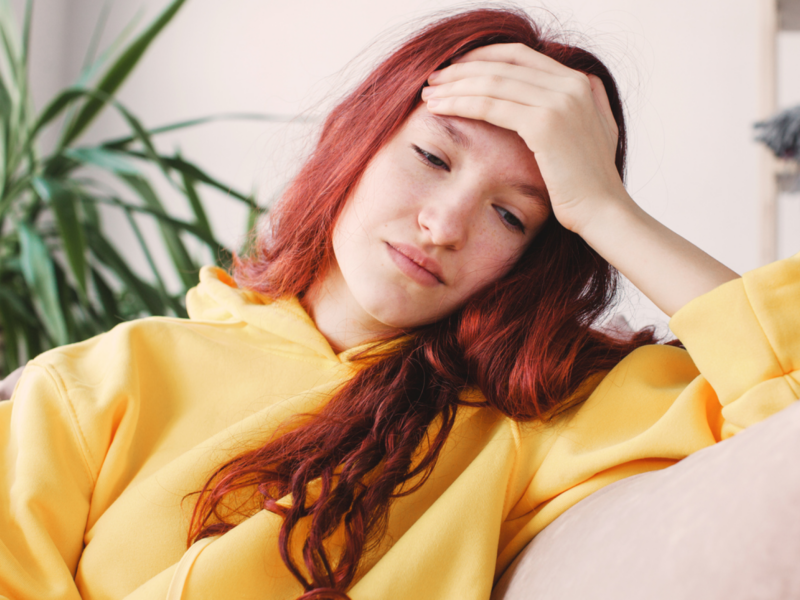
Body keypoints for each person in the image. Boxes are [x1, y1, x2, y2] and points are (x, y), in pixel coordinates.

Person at [1, 7, 798, 600]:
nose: (444, 224)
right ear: (358, 141)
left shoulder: (529, 421)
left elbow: (783, 419)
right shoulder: (101, 380)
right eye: (430, 156)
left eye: (511, 214)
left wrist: (602, 208)